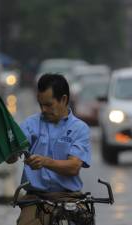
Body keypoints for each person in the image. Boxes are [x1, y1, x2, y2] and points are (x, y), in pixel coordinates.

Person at [8, 73, 92, 225]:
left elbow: (73, 167)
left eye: (48, 105)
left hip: (69, 197)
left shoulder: (79, 128)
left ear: (64, 100)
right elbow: (12, 156)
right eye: (41, 104)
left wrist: (45, 162)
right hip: (35, 198)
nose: (44, 109)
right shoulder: (30, 125)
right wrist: (9, 152)